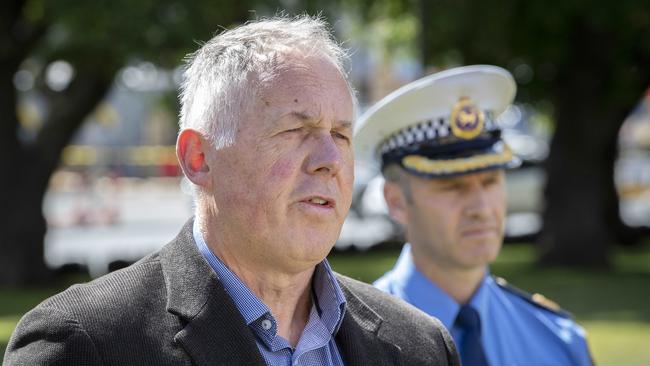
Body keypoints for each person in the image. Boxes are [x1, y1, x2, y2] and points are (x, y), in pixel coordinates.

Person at [4, 16, 459, 366]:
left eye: (341, 134)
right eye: (295, 130)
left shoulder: (419, 344)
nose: (330, 159)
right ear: (198, 158)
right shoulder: (85, 343)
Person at [354, 65, 593, 366]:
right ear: (396, 201)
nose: (481, 207)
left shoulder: (559, 341)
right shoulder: (349, 346)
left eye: (491, 180)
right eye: (452, 186)